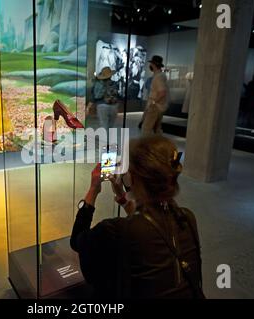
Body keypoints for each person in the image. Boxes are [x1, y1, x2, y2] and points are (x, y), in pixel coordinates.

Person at [70, 136, 204, 299]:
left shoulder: (115, 230)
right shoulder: (187, 218)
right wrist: (121, 195)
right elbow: (149, 223)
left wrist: (93, 189)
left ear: (132, 177)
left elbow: (77, 241)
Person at [140, 55, 169, 136]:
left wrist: (153, 102)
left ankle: (146, 147)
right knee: (156, 129)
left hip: (155, 107)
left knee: (146, 129)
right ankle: (157, 146)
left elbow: (162, 92)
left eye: (151, 64)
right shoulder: (160, 76)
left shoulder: (158, 77)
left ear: (153, 64)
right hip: (158, 106)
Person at [91, 67, 119, 136]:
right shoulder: (114, 84)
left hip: (101, 105)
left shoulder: (98, 84)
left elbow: (95, 96)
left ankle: (105, 143)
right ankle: (109, 143)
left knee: (104, 126)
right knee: (111, 126)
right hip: (114, 106)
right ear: (110, 75)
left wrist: (89, 106)